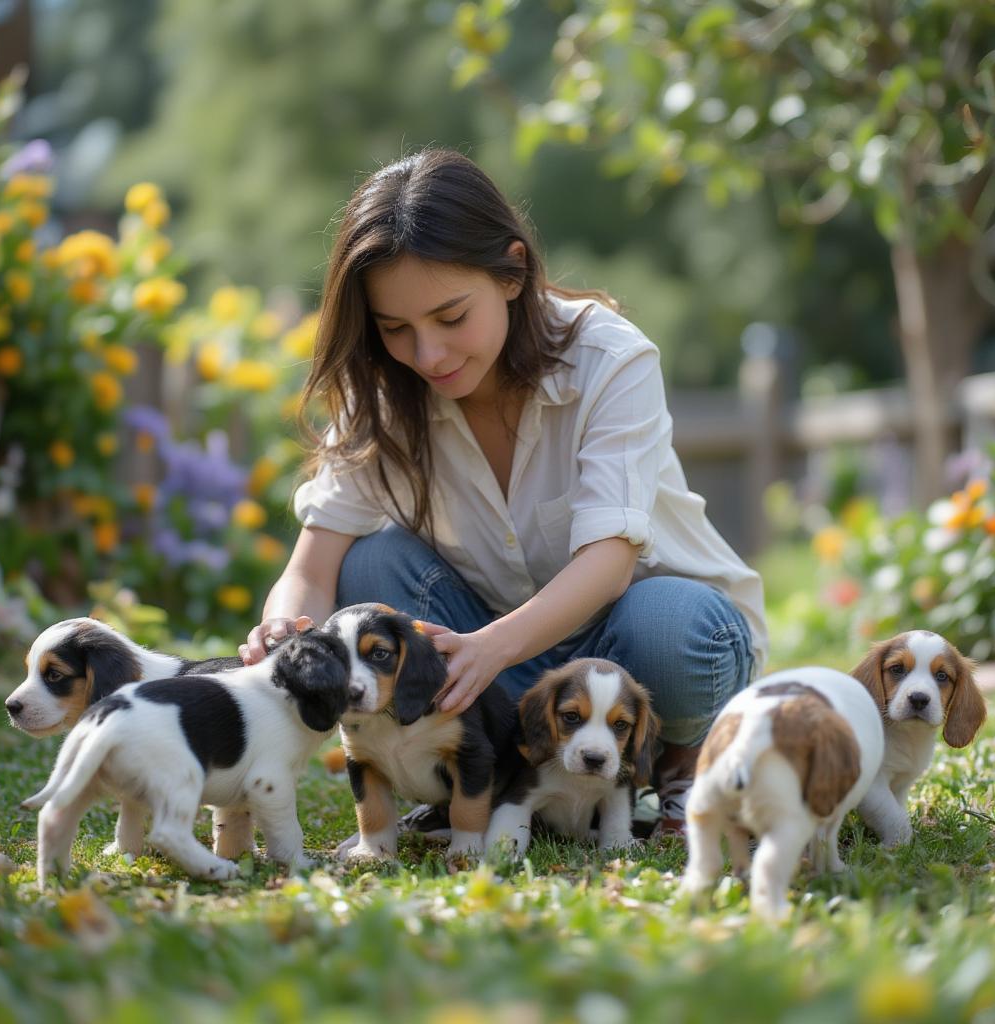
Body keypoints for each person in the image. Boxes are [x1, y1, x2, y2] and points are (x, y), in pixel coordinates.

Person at [239, 149, 768, 837]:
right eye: (396, 330)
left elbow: (609, 563)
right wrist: (286, 633)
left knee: (672, 628)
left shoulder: (609, 359)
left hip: (640, 649)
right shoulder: (383, 396)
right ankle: (482, 767)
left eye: (451, 317)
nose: (428, 355)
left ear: (512, 272)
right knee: (368, 566)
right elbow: (312, 570)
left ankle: (673, 754)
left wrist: (491, 649)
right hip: (490, 667)